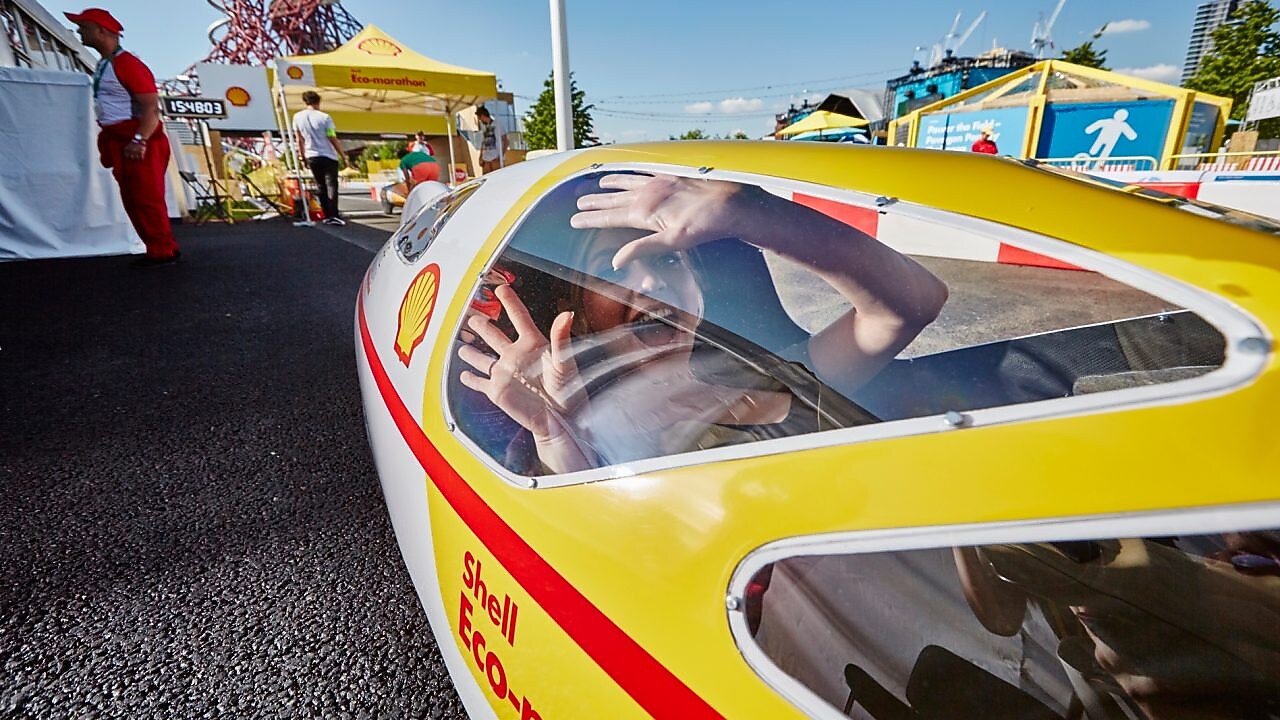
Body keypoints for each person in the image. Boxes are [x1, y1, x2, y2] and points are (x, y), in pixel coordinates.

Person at [455, 173, 948, 474]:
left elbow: (913, 303)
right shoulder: (577, 424)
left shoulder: (770, 379)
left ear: (698, 293)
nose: (651, 283)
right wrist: (556, 436)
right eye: (612, 271)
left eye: (669, 260)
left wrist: (751, 212)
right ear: (577, 311)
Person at [66, 8, 180, 266]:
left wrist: (139, 140)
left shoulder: (127, 64)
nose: (79, 31)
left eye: (83, 27)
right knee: (133, 198)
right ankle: (157, 248)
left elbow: (151, 108)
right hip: (120, 138)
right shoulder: (106, 64)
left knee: (146, 198)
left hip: (136, 138)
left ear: (101, 31)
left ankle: (163, 251)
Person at [292, 90, 347, 226]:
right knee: (331, 185)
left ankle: (326, 214)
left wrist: (302, 156)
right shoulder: (325, 117)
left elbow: (299, 139)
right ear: (318, 102)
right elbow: (331, 136)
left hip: (311, 156)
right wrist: (343, 155)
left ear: (305, 102)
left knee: (320, 185)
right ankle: (334, 215)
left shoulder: (297, 117)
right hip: (328, 155)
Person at [476, 106, 507, 174]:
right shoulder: (485, 127)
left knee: (498, 176)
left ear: (483, 116)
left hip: (496, 158)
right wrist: (480, 156)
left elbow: (505, 140)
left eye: (480, 118)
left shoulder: (497, 125)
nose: (480, 121)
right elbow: (483, 143)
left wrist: (501, 156)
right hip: (486, 159)